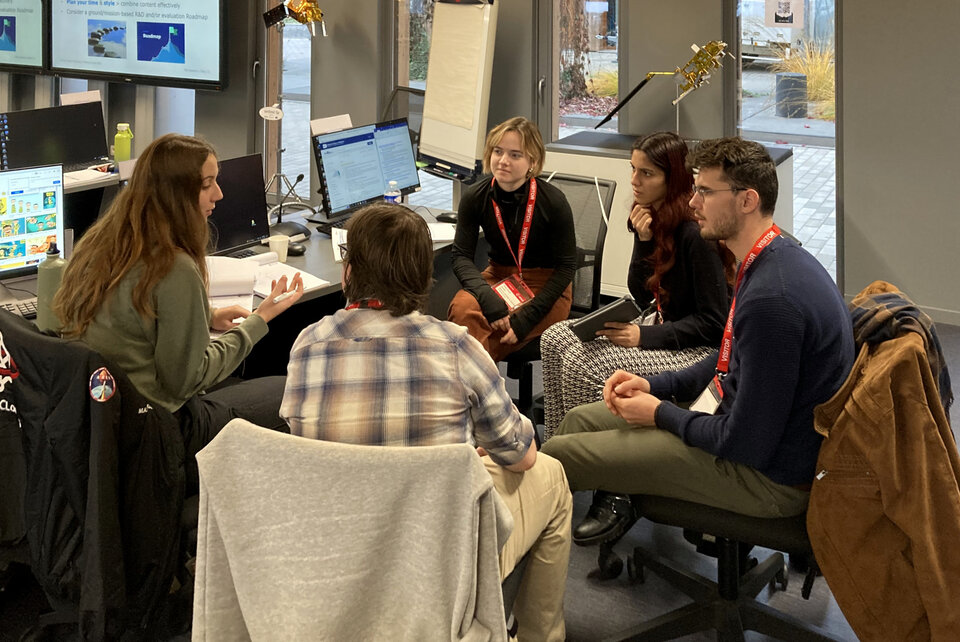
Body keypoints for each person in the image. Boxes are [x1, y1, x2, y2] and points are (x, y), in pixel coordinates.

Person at [541, 137, 855, 544]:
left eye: (705, 191)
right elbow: (728, 361)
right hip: (733, 426)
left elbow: (745, 444)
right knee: (579, 420)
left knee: (561, 456)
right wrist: (657, 386)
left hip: (766, 480)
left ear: (747, 201)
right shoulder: (770, 257)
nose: (692, 202)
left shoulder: (773, 300)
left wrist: (659, 413)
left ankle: (512, 565)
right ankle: (539, 530)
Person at [281, 203, 572, 642]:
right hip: (435, 570)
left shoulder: (307, 344)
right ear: (424, 278)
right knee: (552, 475)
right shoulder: (455, 347)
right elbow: (521, 456)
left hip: (333, 561)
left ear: (348, 272)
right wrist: (462, 450)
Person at [54, 133, 304, 474]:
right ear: (176, 194)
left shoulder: (102, 243)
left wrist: (208, 316)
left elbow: (132, 319)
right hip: (157, 431)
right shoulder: (174, 267)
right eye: (207, 184)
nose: (219, 194)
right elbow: (187, 380)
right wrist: (258, 321)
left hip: (103, 420)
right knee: (288, 395)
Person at [540, 131, 732, 439]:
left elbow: (714, 324)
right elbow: (642, 295)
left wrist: (645, 335)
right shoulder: (651, 217)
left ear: (673, 179)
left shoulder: (694, 234)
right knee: (555, 338)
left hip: (695, 349)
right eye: (633, 168)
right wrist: (643, 242)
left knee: (581, 361)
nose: (634, 180)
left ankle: (584, 460)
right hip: (660, 325)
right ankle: (557, 447)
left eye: (646, 173)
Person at [448, 116, 577, 361]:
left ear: (533, 161)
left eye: (515, 155)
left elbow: (566, 267)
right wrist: (487, 298)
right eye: (498, 151)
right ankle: (476, 390)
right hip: (498, 277)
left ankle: (470, 391)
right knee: (462, 312)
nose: (503, 161)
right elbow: (461, 256)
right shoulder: (476, 196)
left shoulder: (554, 202)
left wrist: (526, 320)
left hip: (546, 284)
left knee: (483, 337)